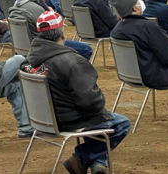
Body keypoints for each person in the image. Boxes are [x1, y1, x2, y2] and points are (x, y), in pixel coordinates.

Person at [22, 12, 131, 174]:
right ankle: (80, 159)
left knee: (94, 116)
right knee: (121, 123)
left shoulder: (27, 61)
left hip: (42, 119)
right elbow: (91, 103)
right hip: (70, 121)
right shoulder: (73, 62)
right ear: (62, 34)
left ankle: (98, 164)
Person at [8, 0, 92, 60]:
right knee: (86, 49)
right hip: (43, 48)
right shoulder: (36, 9)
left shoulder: (14, 7)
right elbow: (52, 33)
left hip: (23, 49)